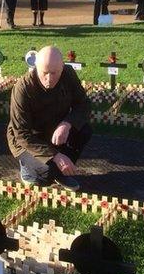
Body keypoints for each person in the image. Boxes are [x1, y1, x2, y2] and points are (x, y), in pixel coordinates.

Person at [7, 46, 92, 191]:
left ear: (62, 68)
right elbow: (22, 134)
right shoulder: (23, 88)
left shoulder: (68, 75)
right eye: (45, 73)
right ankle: (29, 170)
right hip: (28, 141)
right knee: (46, 176)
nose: (49, 79)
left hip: (54, 131)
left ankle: (59, 173)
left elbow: (84, 104)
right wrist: (56, 156)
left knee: (84, 130)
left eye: (54, 73)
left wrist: (68, 123)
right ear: (36, 67)